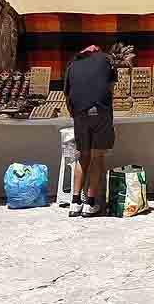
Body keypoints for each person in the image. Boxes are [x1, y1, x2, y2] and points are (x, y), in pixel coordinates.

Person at [63, 45, 118, 217]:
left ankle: (75, 202)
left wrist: (76, 114)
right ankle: (91, 203)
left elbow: (67, 95)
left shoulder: (72, 65)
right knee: (97, 156)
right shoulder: (105, 60)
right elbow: (110, 89)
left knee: (82, 155)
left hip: (80, 115)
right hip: (99, 112)